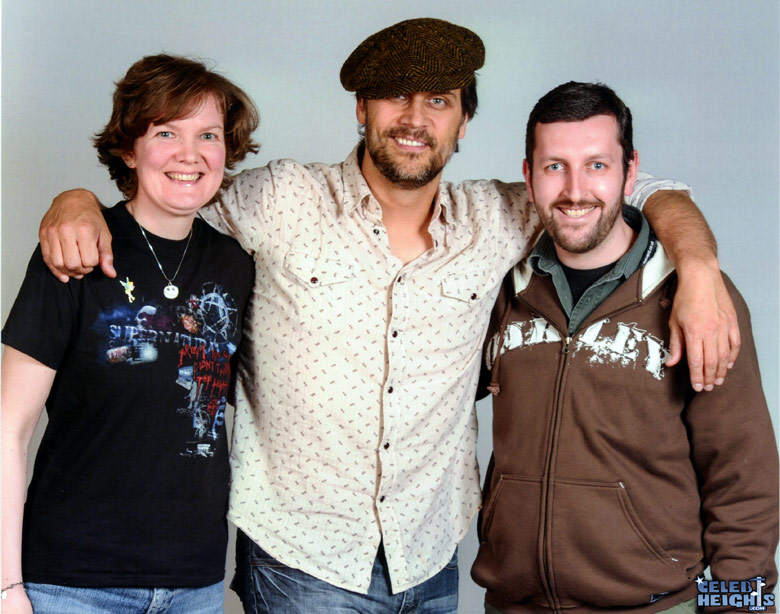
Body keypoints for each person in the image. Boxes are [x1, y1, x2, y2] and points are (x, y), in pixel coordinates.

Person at [34, 19, 740, 614]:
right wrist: (76, 201)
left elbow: (634, 186)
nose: (414, 118)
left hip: (430, 558)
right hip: (301, 558)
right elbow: (169, 191)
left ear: (464, 121)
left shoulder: (500, 217)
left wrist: (700, 267)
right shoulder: (284, 201)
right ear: (361, 110)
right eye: (394, 98)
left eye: (438, 100)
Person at [471, 81, 778, 614]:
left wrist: (740, 610)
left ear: (631, 173)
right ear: (528, 174)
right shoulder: (500, 289)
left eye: (596, 165)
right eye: (554, 166)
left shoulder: (695, 301)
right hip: (514, 604)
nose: (574, 190)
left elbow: (744, 482)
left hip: (657, 605)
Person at [0, 54, 258, 614]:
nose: (189, 154)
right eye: (166, 131)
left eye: (208, 134)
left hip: (197, 582)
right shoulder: (73, 250)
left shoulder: (237, 265)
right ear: (128, 148)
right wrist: (5, 586)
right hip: (71, 582)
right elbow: (8, 429)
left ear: (226, 151)